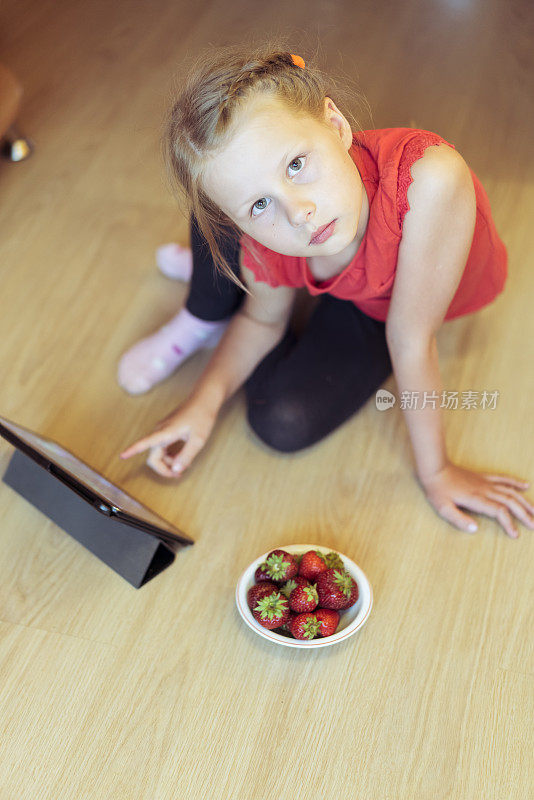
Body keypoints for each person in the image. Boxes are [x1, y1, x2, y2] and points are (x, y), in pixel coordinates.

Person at [119, 43, 534, 539]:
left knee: (283, 423)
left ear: (336, 124)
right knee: (219, 218)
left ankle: (216, 284)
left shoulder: (430, 179)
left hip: (393, 305)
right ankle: (212, 296)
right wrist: (202, 405)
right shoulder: (269, 234)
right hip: (324, 275)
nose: (299, 212)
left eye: (296, 164)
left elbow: (410, 338)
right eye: (261, 204)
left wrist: (437, 472)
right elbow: (262, 320)